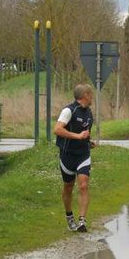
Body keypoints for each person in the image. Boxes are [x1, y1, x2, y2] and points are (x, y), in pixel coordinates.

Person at [54, 83, 95, 232]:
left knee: (83, 185)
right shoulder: (68, 110)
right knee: (68, 187)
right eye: (91, 95)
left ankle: (82, 220)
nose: (92, 98)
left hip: (83, 154)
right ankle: (69, 216)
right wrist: (77, 136)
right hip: (67, 155)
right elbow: (57, 129)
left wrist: (88, 142)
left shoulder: (89, 112)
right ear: (85, 96)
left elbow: (83, 133)